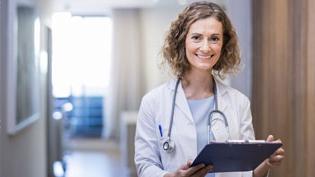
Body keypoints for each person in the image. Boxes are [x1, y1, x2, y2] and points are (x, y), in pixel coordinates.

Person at [134, 1, 285, 177]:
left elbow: (246, 173)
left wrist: (265, 162)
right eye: (197, 37)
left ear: (223, 44)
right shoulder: (153, 102)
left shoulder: (239, 103)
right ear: (182, 41)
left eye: (214, 38)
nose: (205, 47)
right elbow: (145, 165)